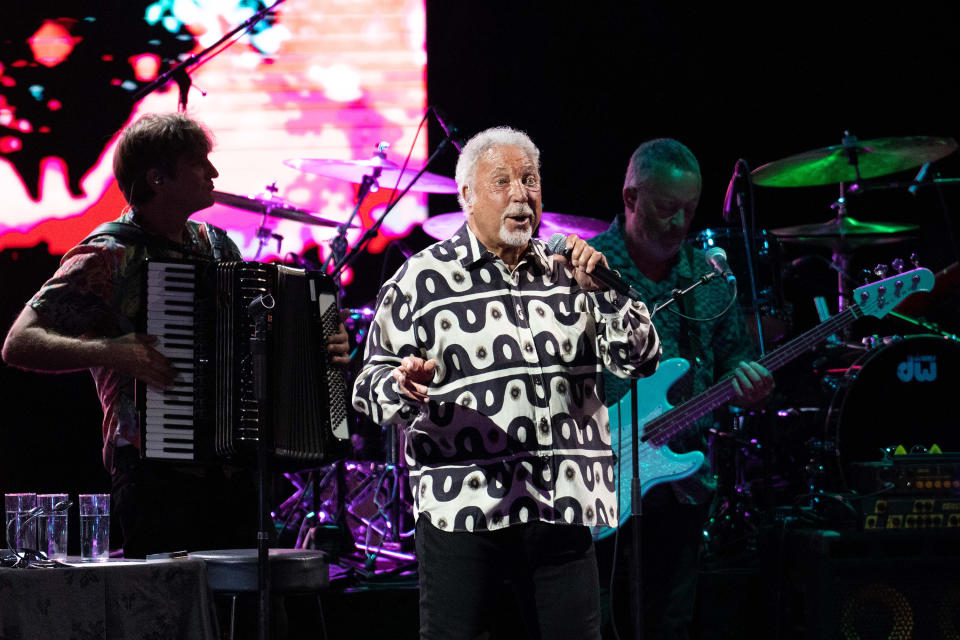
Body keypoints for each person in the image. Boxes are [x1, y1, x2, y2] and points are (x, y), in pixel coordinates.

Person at [351, 126, 662, 640]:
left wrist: (606, 292)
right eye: (502, 181)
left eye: (530, 180)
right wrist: (402, 384)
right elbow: (367, 384)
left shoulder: (573, 272)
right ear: (467, 196)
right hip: (465, 512)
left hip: (562, 509)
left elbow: (640, 360)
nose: (521, 194)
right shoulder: (421, 281)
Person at [1, 112, 351, 559]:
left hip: (233, 470)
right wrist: (113, 352)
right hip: (153, 477)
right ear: (158, 177)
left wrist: (323, 339)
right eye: (199, 163)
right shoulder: (108, 254)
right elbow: (20, 342)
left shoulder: (219, 246)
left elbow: (262, 340)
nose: (214, 173)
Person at [588, 138, 775, 640]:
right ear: (630, 198)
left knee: (669, 624)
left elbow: (732, 356)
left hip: (681, 483)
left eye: (688, 210)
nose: (678, 224)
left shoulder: (709, 279)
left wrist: (749, 382)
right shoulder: (580, 273)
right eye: (665, 208)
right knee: (592, 623)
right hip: (591, 483)